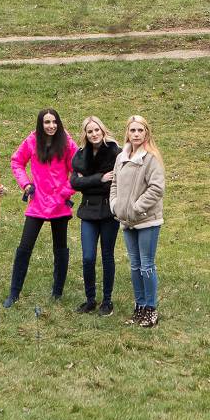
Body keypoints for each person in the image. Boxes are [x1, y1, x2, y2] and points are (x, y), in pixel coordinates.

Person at [5, 107, 76, 310]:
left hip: (60, 204)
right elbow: (17, 161)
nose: (51, 126)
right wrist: (26, 184)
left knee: (60, 249)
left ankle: (57, 292)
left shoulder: (67, 142)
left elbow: (78, 169)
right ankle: (14, 293)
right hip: (37, 202)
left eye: (54, 122)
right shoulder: (32, 140)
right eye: (47, 122)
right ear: (40, 124)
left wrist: (66, 192)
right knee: (24, 248)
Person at [111, 114, 166, 328]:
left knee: (146, 265)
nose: (136, 134)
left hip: (146, 221)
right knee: (134, 266)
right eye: (132, 130)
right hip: (126, 220)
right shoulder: (121, 157)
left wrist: (136, 207)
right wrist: (115, 204)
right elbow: (114, 183)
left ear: (146, 133)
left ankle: (151, 309)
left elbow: (157, 188)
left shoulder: (151, 158)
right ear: (127, 132)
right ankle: (140, 306)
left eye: (140, 130)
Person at [69, 115, 121, 316]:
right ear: (85, 134)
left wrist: (87, 181)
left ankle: (107, 301)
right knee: (88, 257)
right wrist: (99, 178)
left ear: (102, 130)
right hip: (88, 211)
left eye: (96, 130)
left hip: (109, 210)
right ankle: (90, 299)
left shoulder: (115, 152)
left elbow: (114, 181)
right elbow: (74, 183)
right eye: (89, 131)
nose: (94, 134)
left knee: (107, 255)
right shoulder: (81, 155)